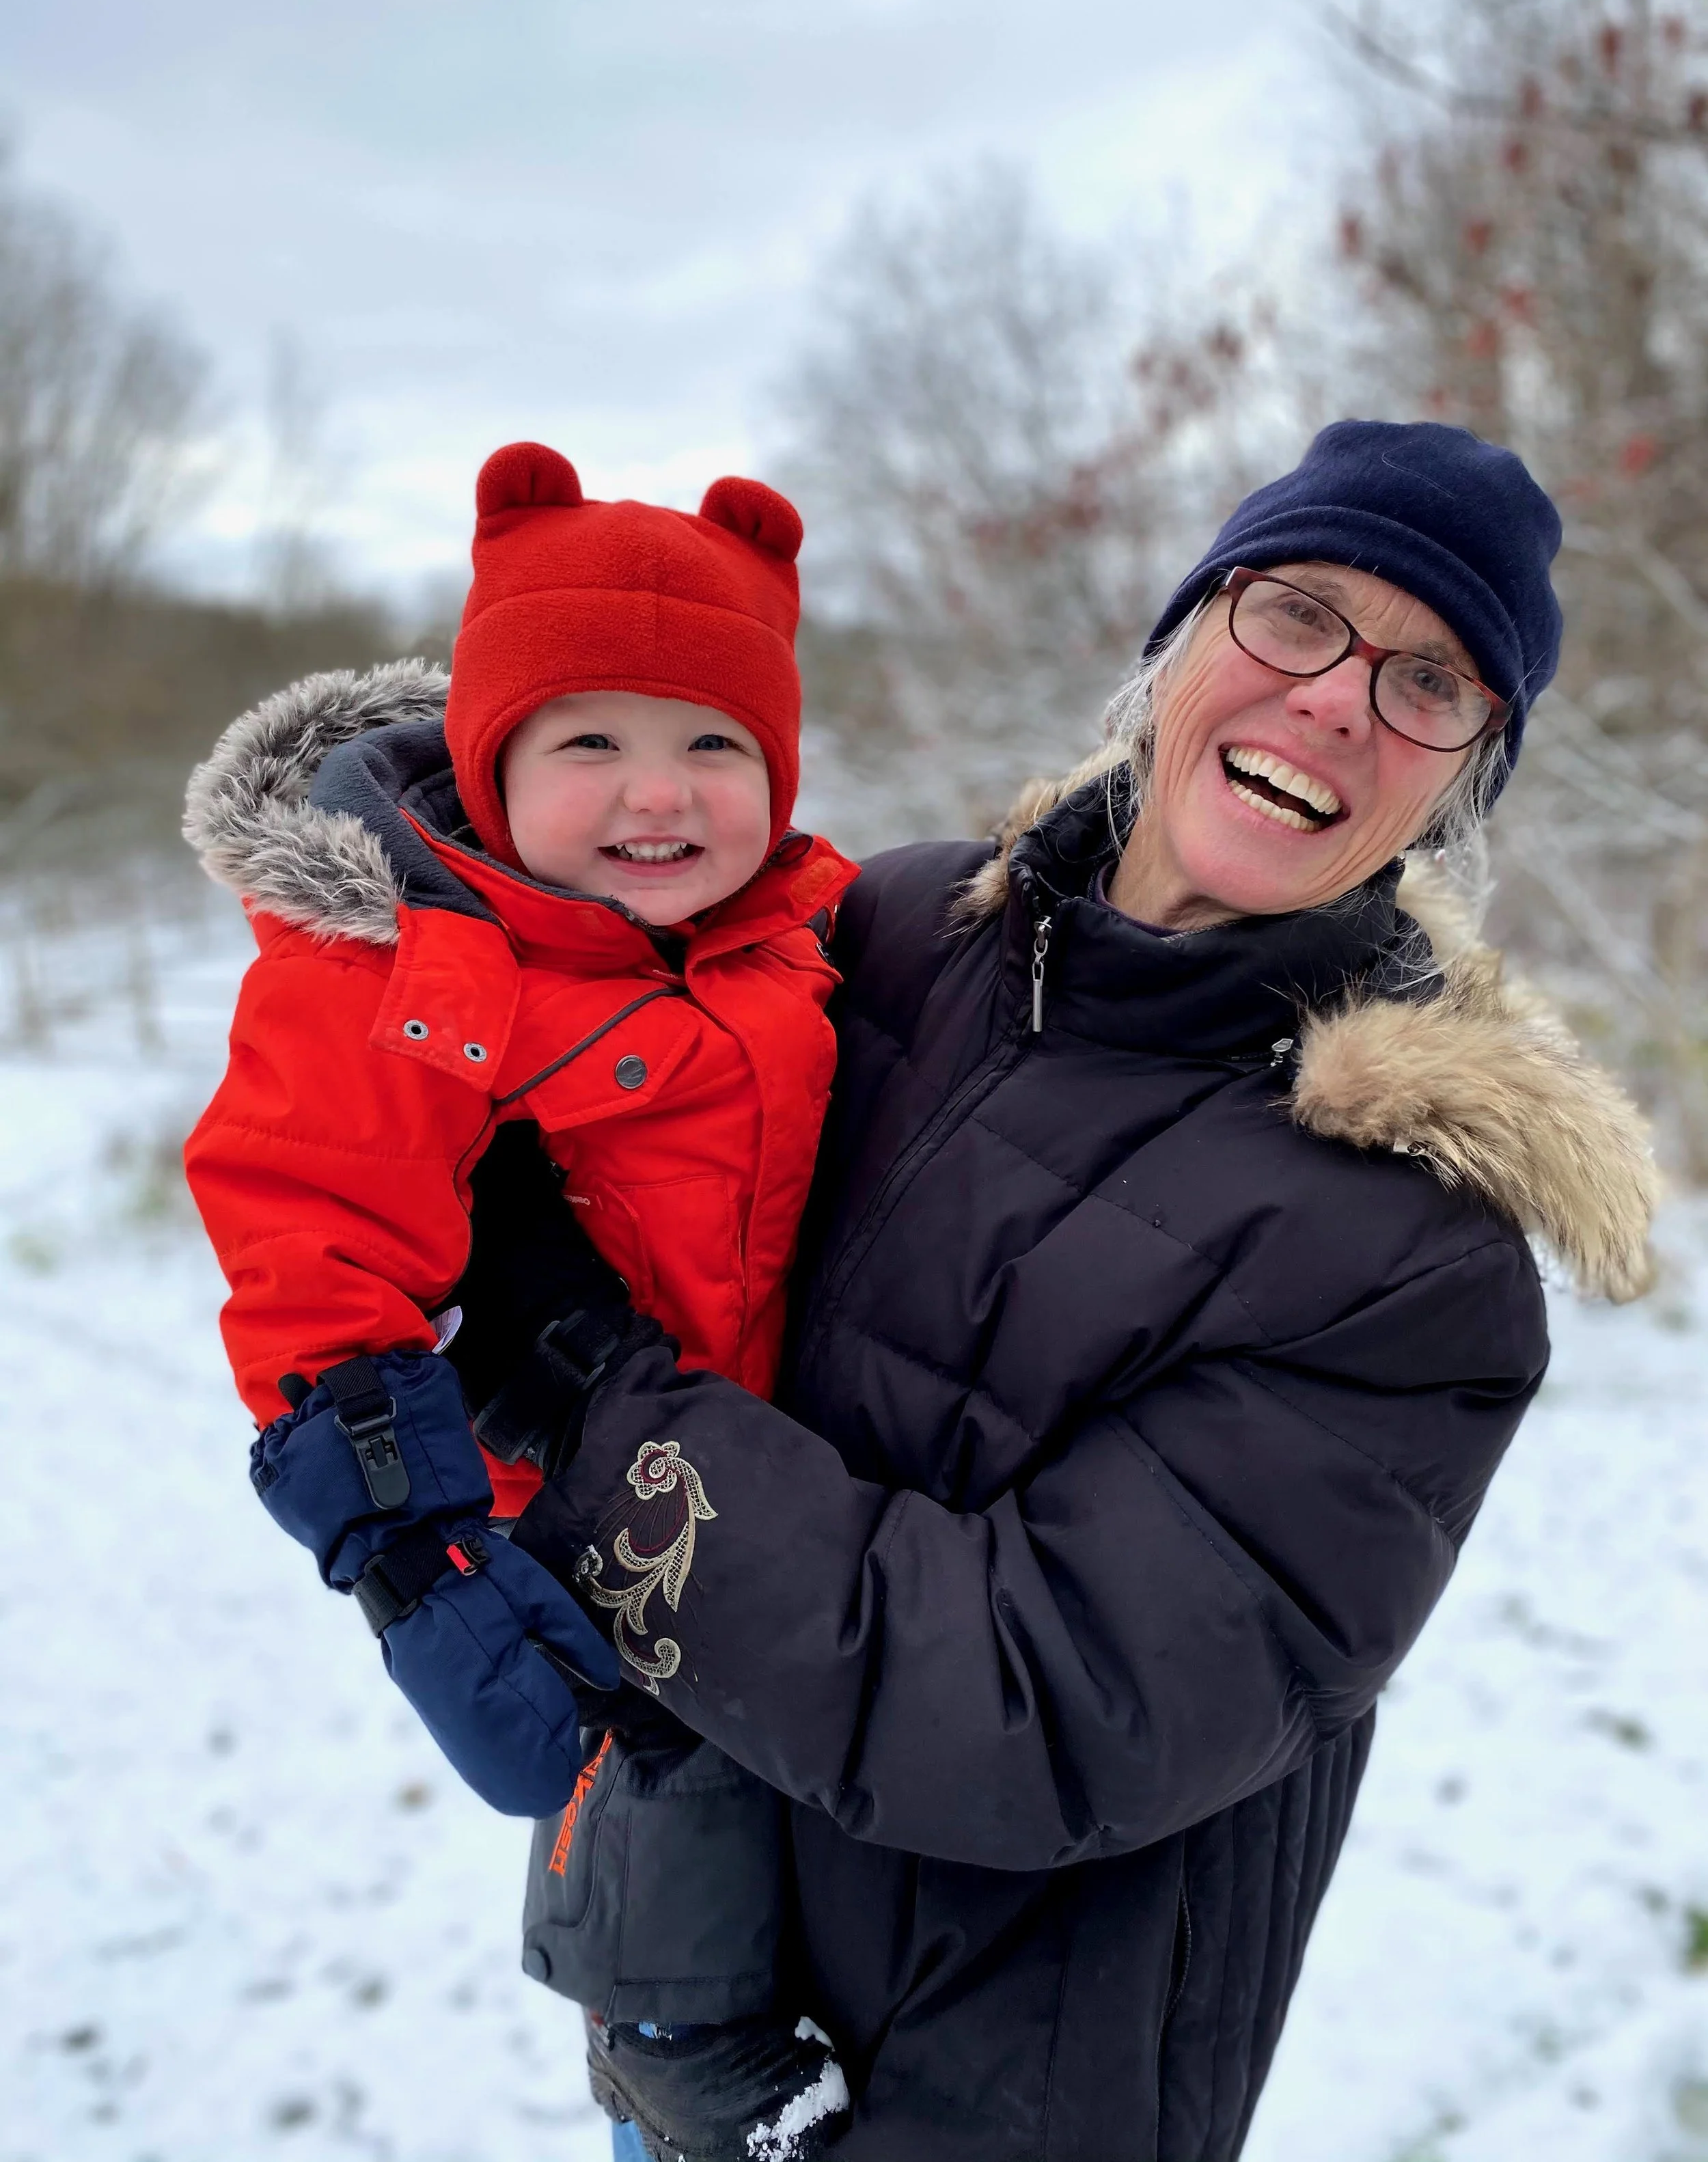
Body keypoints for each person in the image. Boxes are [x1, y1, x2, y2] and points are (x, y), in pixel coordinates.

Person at [456, 421, 1659, 2161]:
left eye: (1428, 685)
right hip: (684, 2005)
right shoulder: (886, 937)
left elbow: (1035, 1702)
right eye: (1296, 613)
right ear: (1181, 640)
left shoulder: (1410, 1261)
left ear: (1456, 785)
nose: (1336, 698)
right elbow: (558, 993)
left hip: (982, 2102)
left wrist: (573, 1381)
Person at [182, 443, 860, 2159]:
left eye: (714, 745)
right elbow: (313, 1248)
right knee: (640, 1759)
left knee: (782, 1752)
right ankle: (666, 2044)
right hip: (550, 1496)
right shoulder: (408, 969)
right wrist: (417, 1559)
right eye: (590, 745)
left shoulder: (794, 931)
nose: (659, 795)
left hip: (760, 1455)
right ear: (491, 768)